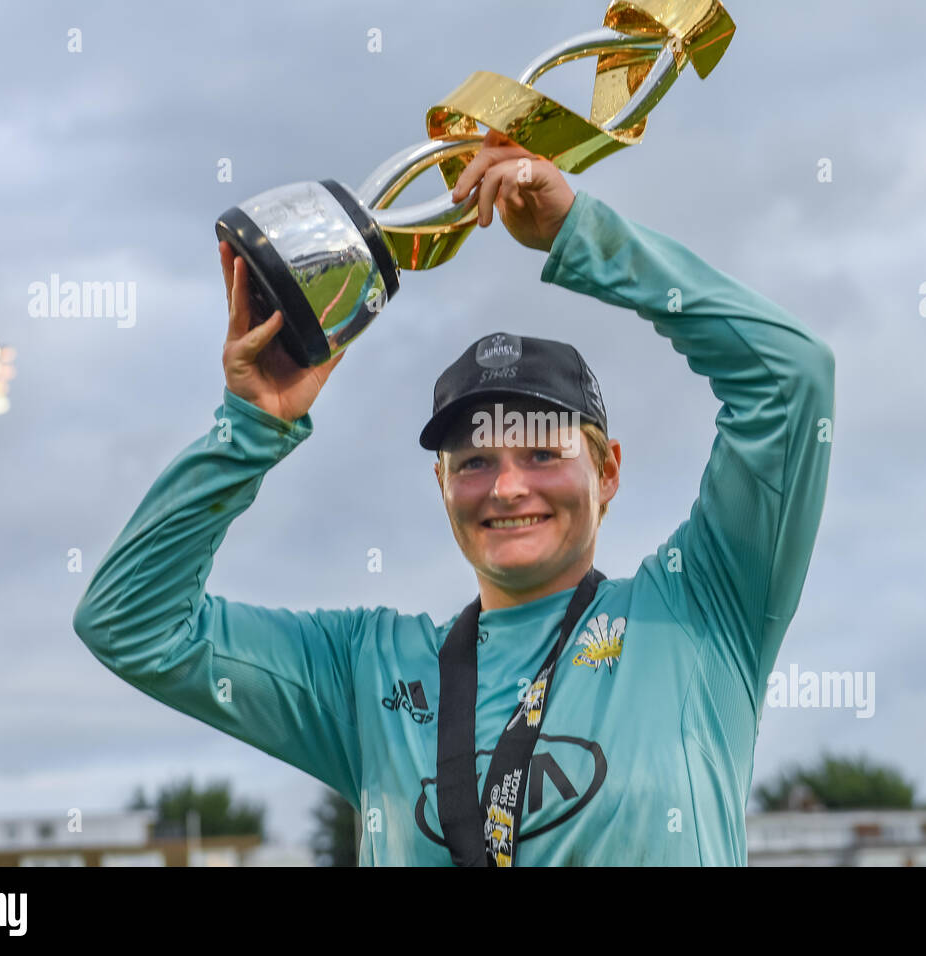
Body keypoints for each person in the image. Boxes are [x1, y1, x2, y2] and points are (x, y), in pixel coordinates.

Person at [72, 130, 836, 866]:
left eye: (542, 452)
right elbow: (132, 625)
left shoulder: (703, 612)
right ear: (440, 485)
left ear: (607, 475)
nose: (507, 486)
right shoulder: (367, 672)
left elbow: (790, 378)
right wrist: (252, 427)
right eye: (473, 461)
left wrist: (583, 235)